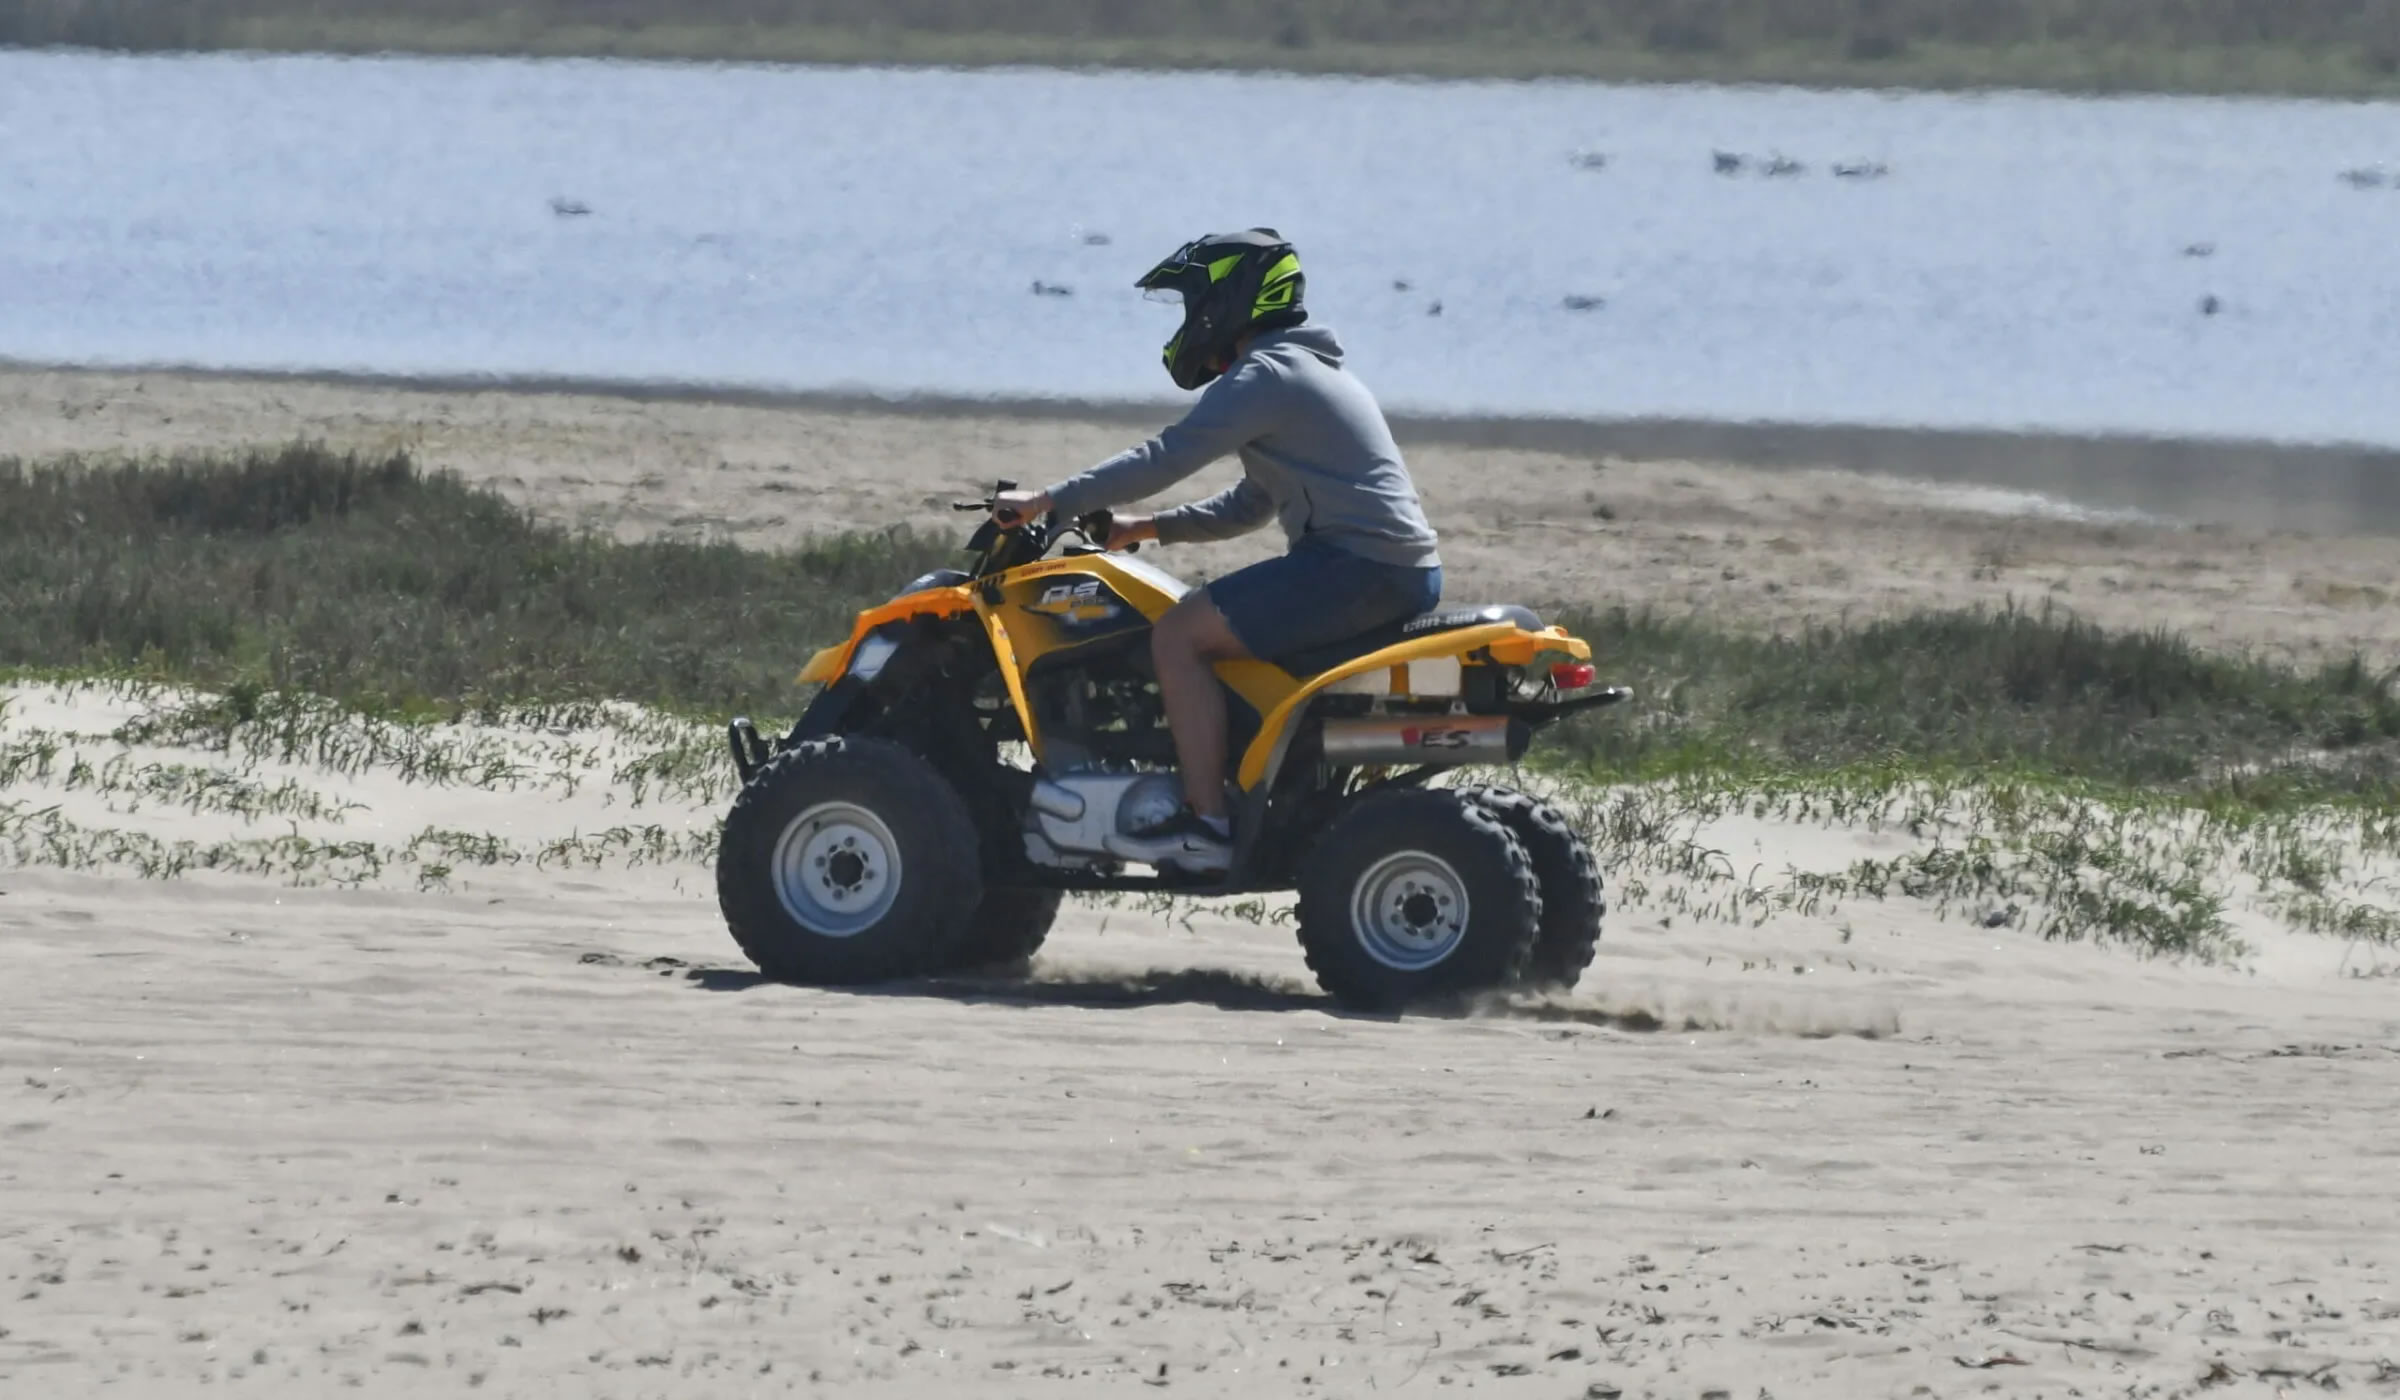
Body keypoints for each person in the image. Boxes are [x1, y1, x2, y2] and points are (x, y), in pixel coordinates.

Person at [990, 228, 1442, 874]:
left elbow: (1165, 455)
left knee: (1176, 637)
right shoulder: (1305, 370)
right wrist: (1144, 528)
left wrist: (1050, 501)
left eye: (1193, 300)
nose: (1189, 318)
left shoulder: (1267, 375)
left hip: (1354, 569)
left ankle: (1204, 825)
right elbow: (1252, 503)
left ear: (1229, 299)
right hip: (1394, 569)